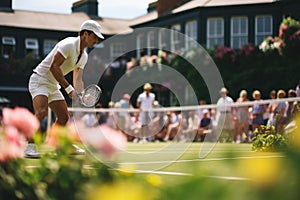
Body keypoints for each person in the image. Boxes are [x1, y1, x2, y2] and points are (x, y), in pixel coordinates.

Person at [26, 20, 104, 158]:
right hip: (39, 80)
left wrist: (81, 94)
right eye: (95, 36)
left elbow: (78, 79)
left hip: (53, 84)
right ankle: (30, 146)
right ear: (85, 34)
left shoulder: (84, 56)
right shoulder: (68, 44)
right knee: (42, 112)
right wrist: (68, 89)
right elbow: (54, 67)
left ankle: (58, 144)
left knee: (63, 117)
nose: (96, 40)